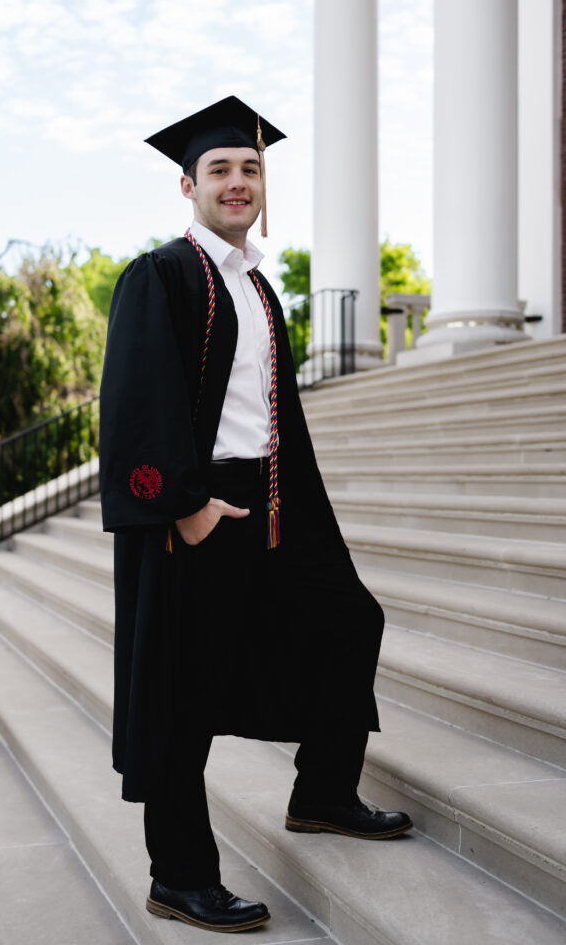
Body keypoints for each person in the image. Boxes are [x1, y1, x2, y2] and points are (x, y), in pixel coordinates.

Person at [99, 96, 412, 935]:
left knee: (351, 618)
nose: (238, 183)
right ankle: (181, 876)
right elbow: (135, 402)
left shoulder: (260, 287)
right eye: (220, 170)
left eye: (251, 169)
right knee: (183, 695)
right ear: (187, 184)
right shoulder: (161, 275)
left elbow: (276, 411)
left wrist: (298, 511)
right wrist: (184, 505)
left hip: (272, 502)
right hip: (196, 510)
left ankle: (323, 792)